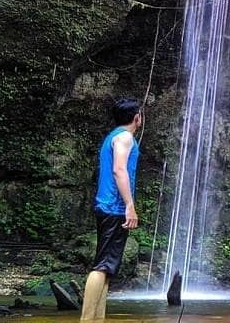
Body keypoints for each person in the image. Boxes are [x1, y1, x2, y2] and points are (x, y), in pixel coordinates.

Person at [81, 98, 141, 321]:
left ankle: (98, 318)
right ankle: (87, 320)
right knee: (102, 266)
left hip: (107, 206)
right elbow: (119, 170)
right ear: (136, 118)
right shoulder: (125, 138)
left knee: (106, 268)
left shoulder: (112, 136)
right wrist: (129, 205)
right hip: (114, 208)